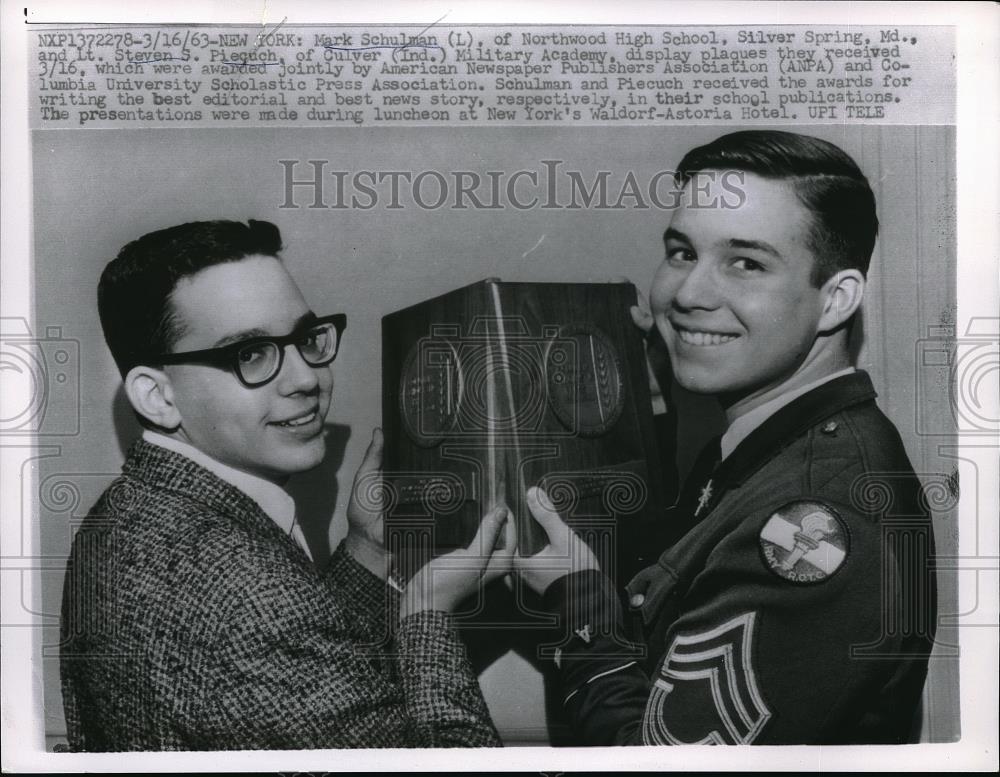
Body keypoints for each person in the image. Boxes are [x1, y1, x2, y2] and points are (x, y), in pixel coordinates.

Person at [516, 130, 937, 745]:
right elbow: (683, 587)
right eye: (683, 252)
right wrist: (649, 408)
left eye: (746, 263)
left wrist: (577, 602)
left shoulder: (821, 514)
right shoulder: (769, 442)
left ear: (836, 299)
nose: (688, 294)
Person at [60, 219, 512, 751]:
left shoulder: (123, 513)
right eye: (249, 353)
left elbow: (303, 686)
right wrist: (427, 613)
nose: (306, 379)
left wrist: (368, 549)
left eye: (304, 338)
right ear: (158, 396)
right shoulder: (244, 597)